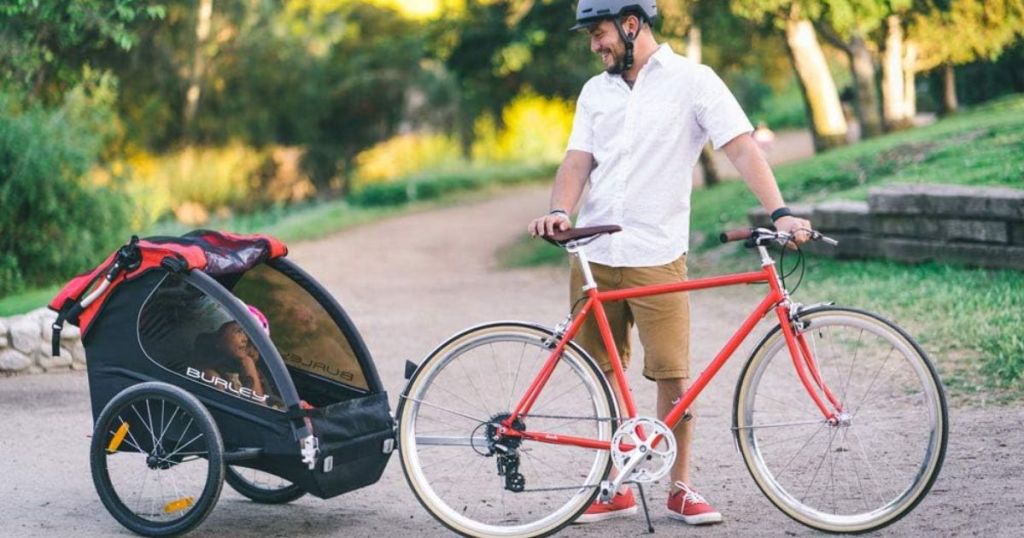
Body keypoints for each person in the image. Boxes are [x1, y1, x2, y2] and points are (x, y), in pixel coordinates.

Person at [527, 0, 812, 527]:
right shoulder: (595, 92)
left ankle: (679, 487)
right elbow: (578, 160)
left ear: (632, 24)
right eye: (590, 35)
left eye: (600, 33)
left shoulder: (693, 81)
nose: (594, 45)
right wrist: (559, 210)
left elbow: (742, 147)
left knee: (673, 377)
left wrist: (782, 212)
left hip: (655, 253)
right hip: (594, 253)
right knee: (601, 373)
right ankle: (617, 483)